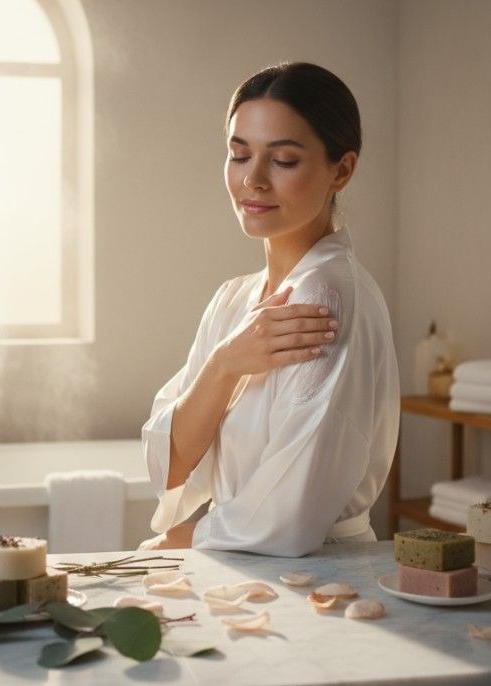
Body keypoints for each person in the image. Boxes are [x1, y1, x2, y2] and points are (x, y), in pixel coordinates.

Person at [139, 62, 401, 557]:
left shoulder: (324, 302)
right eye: (239, 155)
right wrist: (224, 366)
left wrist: (179, 541)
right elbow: (168, 468)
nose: (252, 180)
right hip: (241, 565)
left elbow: (290, 516)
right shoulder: (235, 300)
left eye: (282, 160)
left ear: (341, 169)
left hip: (314, 576)